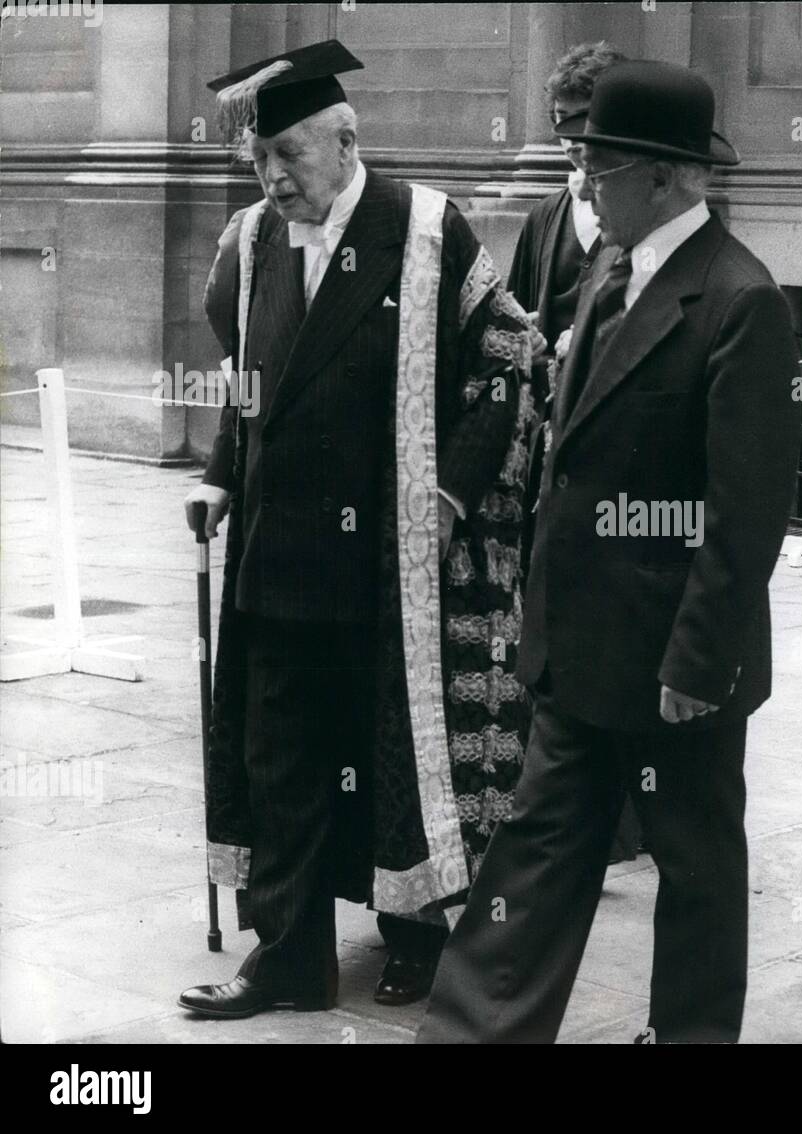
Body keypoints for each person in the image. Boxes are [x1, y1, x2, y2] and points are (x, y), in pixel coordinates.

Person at [416, 60, 802, 1044]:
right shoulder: (610, 272)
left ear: (666, 176)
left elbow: (745, 514)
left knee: (697, 868)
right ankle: (472, 1033)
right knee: (534, 858)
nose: (582, 183)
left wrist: (696, 661)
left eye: (600, 165)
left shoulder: (739, 300)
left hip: (676, 663)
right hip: (579, 651)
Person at [178, 40, 540, 1018]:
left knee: (395, 754)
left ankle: (417, 936)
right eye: (259, 159)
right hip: (279, 551)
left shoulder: (426, 230)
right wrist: (221, 475)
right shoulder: (249, 243)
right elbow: (249, 384)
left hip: (391, 561)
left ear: (345, 141)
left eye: (288, 155)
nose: (271, 177)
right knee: (279, 750)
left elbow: (508, 363)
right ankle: (287, 955)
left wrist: (453, 496)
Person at [506, 40, 642, 864]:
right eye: (561, 133)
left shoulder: (653, 227)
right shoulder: (546, 219)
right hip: (550, 463)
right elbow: (514, 325)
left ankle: (629, 817)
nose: (572, 151)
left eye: (584, 132)